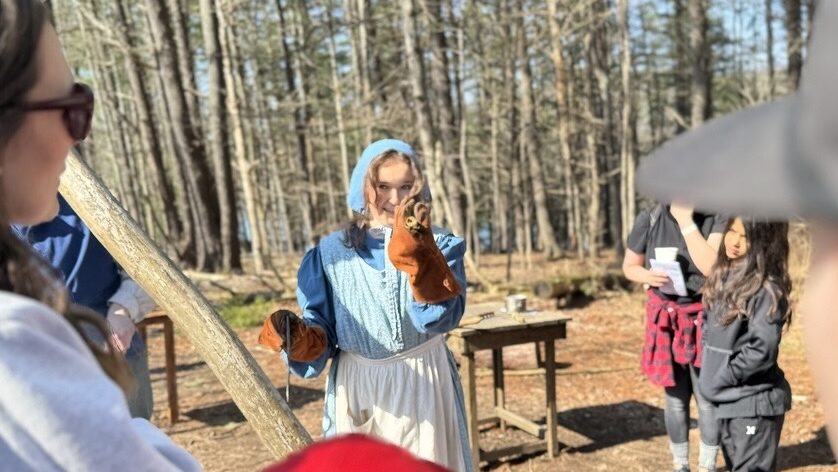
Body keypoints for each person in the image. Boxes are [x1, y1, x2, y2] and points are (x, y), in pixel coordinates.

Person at [0, 1, 200, 469]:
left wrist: (122, 310)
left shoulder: (94, 213)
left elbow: (143, 272)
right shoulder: (15, 339)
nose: (77, 137)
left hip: (116, 349)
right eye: (69, 110)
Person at [636, 0, 838, 455]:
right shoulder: (661, 216)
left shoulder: (733, 226)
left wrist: (687, 223)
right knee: (687, 404)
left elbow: (755, 339)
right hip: (712, 357)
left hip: (741, 390)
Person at [258, 139, 472, 471]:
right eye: (383, 186)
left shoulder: (440, 245)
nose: (395, 199)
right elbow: (322, 328)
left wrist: (423, 262)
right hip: (358, 386)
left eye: (406, 186)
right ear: (363, 188)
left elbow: (442, 319)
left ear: (419, 189)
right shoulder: (330, 253)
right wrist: (301, 340)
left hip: (424, 381)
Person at [13, 194, 156, 419]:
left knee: (133, 431)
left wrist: (122, 309)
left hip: (116, 354)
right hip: (41, 368)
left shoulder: (93, 204)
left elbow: (147, 270)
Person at [622, 202, 726, 472]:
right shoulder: (651, 217)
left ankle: (707, 466)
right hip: (666, 319)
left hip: (705, 317)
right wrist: (647, 275)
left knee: (707, 398)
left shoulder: (717, 215)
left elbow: (710, 267)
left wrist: (685, 221)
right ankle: (680, 465)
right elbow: (629, 266)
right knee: (675, 399)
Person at [700, 217, 792, 471]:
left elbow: (762, 349)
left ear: (764, 242)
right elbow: (712, 332)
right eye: (731, 231)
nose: (735, 242)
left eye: (746, 237)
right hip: (727, 402)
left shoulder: (766, 290)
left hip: (752, 405)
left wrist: (722, 377)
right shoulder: (724, 278)